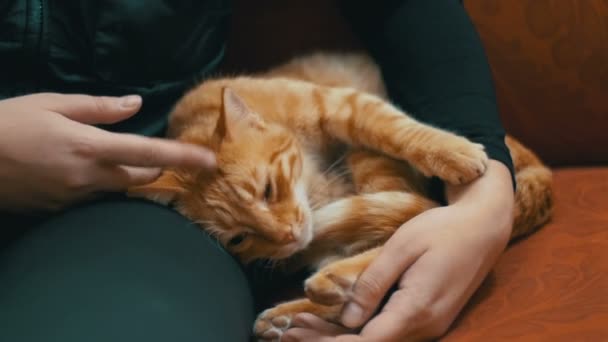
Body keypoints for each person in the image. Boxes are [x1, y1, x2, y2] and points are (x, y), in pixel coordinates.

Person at [0, 1, 515, 341]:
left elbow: (396, 7)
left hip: (132, 201)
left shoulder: (242, 137)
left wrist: (487, 198)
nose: (284, 232)